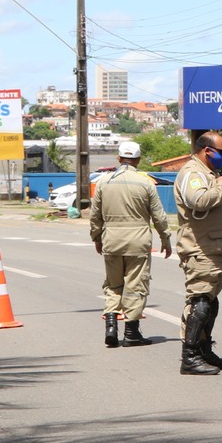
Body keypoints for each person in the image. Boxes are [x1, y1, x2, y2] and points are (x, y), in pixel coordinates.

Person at [90, 141, 172, 348]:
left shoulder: (104, 182)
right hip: (138, 242)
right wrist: (165, 238)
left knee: (113, 284)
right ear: (138, 160)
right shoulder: (145, 183)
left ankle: (111, 327)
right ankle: (131, 333)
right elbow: (159, 215)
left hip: (112, 240)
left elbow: (95, 215)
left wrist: (97, 238)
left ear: (119, 159)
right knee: (135, 286)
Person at [173, 131, 222, 375]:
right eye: (221, 152)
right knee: (199, 302)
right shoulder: (193, 173)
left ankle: (203, 350)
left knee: (210, 302)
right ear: (206, 150)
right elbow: (198, 201)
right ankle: (189, 357)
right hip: (200, 249)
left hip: (214, 249)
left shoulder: (209, 174)